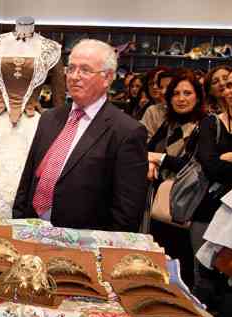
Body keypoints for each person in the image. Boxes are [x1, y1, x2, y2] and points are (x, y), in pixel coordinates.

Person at [12, 39, 148, 232]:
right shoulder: (50, 118)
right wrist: (18, 223)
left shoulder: (126, 132)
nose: (75, 77)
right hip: (32, 231)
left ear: (108, 77)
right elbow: (27, 181)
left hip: (83, 241)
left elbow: (127, 212)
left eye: (85, 70)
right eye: (71, 69)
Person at [0, 17, 64, 219]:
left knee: (27, 178)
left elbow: (59, 95)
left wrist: (62, 131)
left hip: (32, 121)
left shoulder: (50, 49)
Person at [184, 67, 232, 317]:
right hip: (208, 215)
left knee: (228, 292)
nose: (231, 90)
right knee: (203, 286)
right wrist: (223, 160)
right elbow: (212, 166)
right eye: (227, 85)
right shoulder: (211, 124)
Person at [146, 71, 206, 288]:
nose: (181, 98)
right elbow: (148, 149)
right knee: (158, 263)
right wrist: (152, 161)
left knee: (182, 269)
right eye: (176, 93)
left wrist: (158, 159)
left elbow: (193, 167)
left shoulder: (204, 125)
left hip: (185, 205)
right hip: (159, 203)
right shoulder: (168, 124)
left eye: (187, 93)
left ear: (198, 96)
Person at [141, 70, 175, 140]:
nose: (163, 92)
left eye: (168, 87)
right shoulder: (152, 110)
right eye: (161, 87)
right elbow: (143, 138)